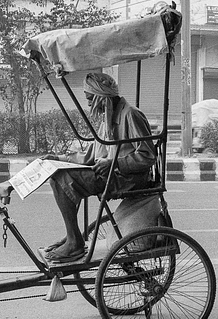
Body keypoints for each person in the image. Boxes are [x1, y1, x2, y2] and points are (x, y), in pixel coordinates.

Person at [42, 72, 156, 262]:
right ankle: (73, 236)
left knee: (64, 180)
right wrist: (58, 158)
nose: (88, 104)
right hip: (112, 173)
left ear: (101, 96)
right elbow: (93, 152)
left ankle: (74, 242)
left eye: (89, 99)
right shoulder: (109, 116)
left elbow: (147, 156)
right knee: (57, 175)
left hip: (127, 178)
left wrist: (115, 163)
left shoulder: (131, 115)